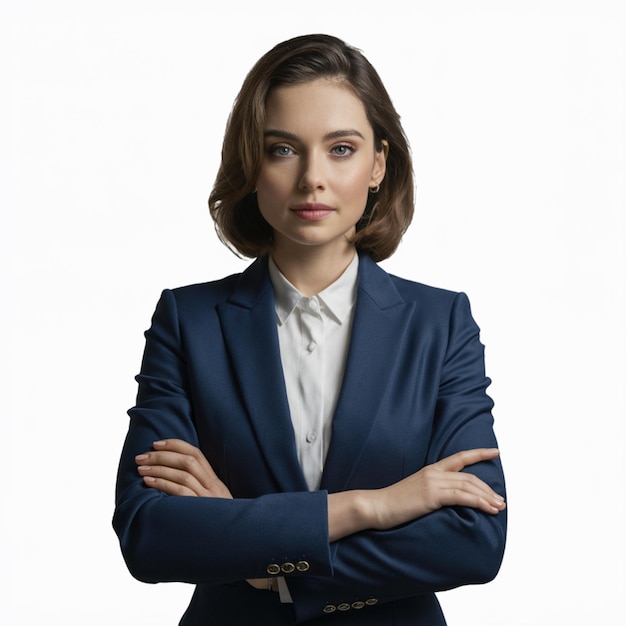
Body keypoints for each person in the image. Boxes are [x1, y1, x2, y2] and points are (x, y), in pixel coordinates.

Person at [113, 34, 507, 625]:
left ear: (378, 163)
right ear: (252, 164)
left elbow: (473, 540)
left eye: (341, 149)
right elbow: (149, 532)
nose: (312, 179)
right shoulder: (187, 321)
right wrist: (372, 507)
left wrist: (266, 561)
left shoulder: (440, 324)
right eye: (282, 150)